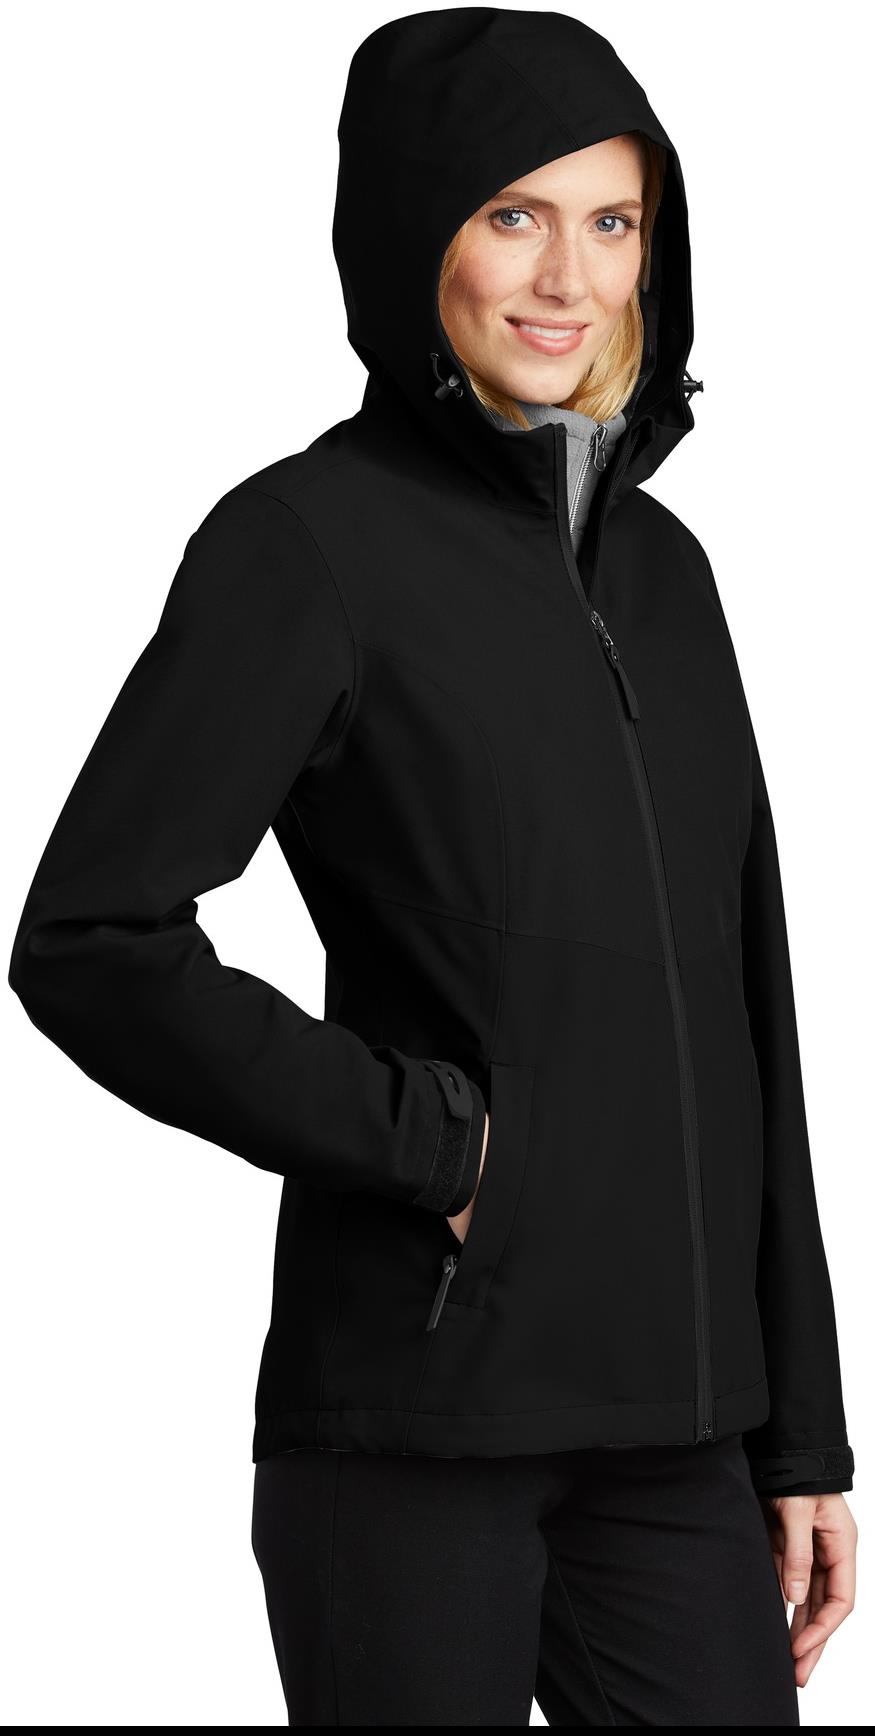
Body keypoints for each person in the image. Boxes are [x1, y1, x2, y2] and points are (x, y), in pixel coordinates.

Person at [8, 6, 857, 1725]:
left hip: (675, 1434)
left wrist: (803, 1435)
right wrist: (441, 1148)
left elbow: (748, 1003)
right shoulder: (305, 544)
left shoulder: (670, 577)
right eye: (511, 214)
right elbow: (94, 937)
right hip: (415, 1425)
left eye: (612, 221)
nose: (567, 277)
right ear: (416, 233)